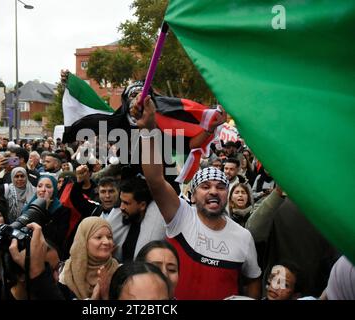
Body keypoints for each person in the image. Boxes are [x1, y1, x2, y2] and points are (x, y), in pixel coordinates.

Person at [136, 94, 261, 300]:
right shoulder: (181, 216)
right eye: (205, 186)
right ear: (193, 195)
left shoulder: (243, 237)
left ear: (227, 194)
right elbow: (155, 180)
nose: (213, 191)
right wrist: (148, 131)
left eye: (221, 187)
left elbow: (253, 279)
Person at [105, 176, 166, 263]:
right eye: (121, 201)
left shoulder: (149, 230)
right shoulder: (126, 223)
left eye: (126, 203)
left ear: (142, 205)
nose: (121, 207)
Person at [58, 217, 119, 300]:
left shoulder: (119, 272)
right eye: (99, 237)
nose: (106, 242)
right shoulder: (64, 273)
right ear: (83, 242)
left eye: (109, 237)